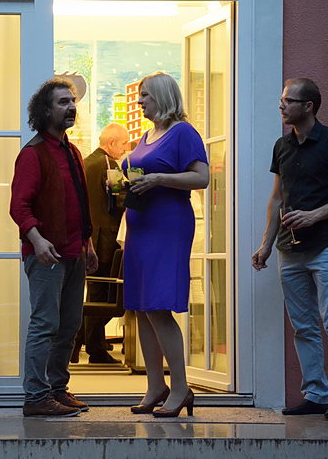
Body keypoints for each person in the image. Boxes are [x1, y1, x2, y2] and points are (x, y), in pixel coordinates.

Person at [251, 77, 328, 422]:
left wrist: (315, 215)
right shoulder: (282, 146)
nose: (281, 105)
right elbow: (277, 197)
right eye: (282, 99)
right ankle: (315, 394)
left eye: (288, 100)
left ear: (308, 106)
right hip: (290, 250)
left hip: (327, 246)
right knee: (303, 325)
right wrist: (266, 244)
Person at [10, 77, 99, 417]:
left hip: (75, 251)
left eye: (72, 101)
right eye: (63, 102)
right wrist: (37, 239)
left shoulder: (71, 151)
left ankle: (57, 389)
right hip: (46, 254)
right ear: (45, 110)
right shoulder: (32, 154)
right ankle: (36, 397)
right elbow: (19, 207)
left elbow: (79, 201)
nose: (71, 107)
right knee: (45, 325)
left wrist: (88, 242)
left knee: (69, 325)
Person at [122, 72, 209, 418]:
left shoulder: (183, 132)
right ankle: (155, 385)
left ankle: (181, 387)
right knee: (142, 307)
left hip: (167, 227)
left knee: (158, 305)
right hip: (140, 227)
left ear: (161, 96)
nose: (139, 101)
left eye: (145, 95)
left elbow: (201, 177)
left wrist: (160, 179)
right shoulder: (146, 136)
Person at [72, 122, 129, 364]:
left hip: (88, 238)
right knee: (105, 296)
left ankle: (81, 341)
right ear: (111, 143)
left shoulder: (85, 163)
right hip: (105, 240)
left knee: (93, 293)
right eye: (124, 143)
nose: (126, 148)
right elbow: (118, 201)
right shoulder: (110, 165)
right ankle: (93, 347)